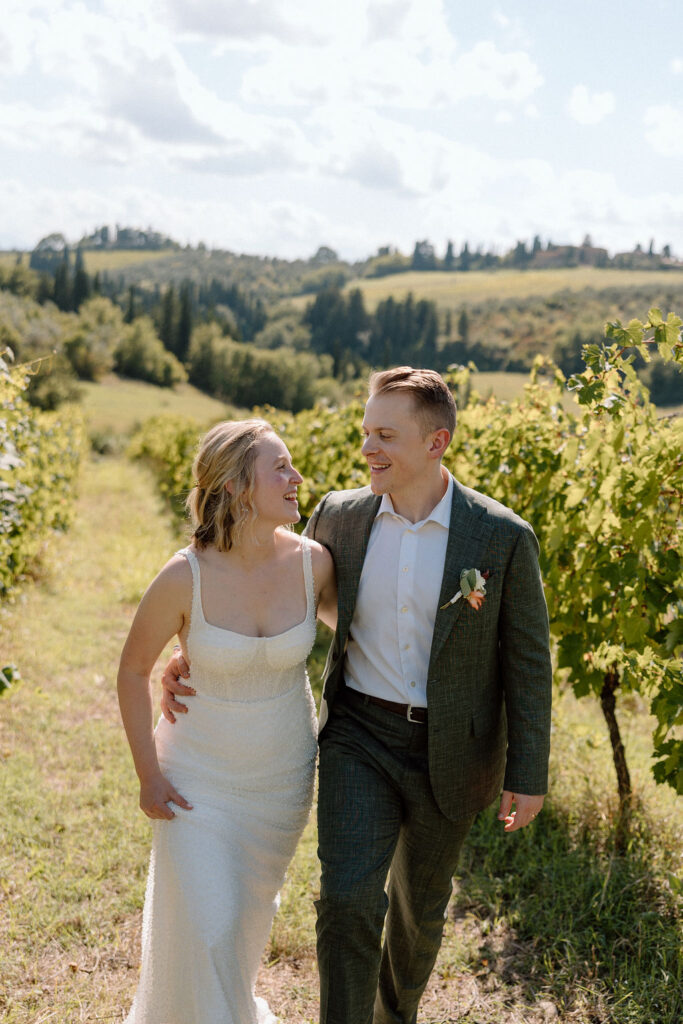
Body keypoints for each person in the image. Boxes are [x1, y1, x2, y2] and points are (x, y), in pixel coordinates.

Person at [162, 368, 552, 1024]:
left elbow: (528, 662)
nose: (367, 447)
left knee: (417, 918)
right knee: (346, 901)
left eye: (385, 435)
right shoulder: (337, 517)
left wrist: (528, 772)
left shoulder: (499, 537)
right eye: (365, 430)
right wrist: (194, 648)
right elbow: (275, 594)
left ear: (436, 443)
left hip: (451, 750)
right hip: (357, 737)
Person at [117, 418, 336, 1024]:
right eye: (282, 468)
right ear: (240, 486)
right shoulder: (183, 576)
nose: (298, 479)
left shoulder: (314, 565)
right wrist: (148, 775)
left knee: (240, 931)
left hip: (281, 780)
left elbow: (372, 638)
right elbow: (133, 671)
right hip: (197, 778)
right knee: (208, 927)